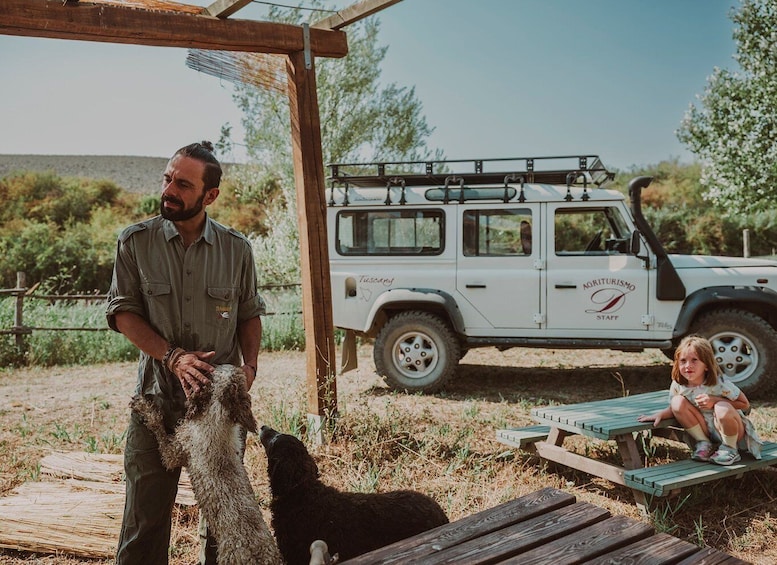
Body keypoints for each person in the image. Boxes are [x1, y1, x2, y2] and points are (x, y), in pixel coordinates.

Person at [106, 141, 266, 564]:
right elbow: (123, 313)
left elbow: (250, 315)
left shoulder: (237, 250)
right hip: (154, 404)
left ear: (209, 195)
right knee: (144, 521)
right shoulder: (135, 242)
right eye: (167, 178)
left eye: (182, 183)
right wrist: (173, 356)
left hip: (218, 410)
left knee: (225, 525)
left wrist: (249, 369)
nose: (169, 190)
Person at [638, 334, 762, 466]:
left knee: (721, 407)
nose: (688, 366)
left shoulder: (719, 383)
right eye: (683, 361)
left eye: (694, 360)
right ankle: (704, 443)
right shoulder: (679, 385)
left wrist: (714, 400)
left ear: (707, 365)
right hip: (705, 429)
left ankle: (730, 449)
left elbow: (744, 404)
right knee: (677, 402)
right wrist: (660, 415)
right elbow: (674, 409)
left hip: (731, 431)